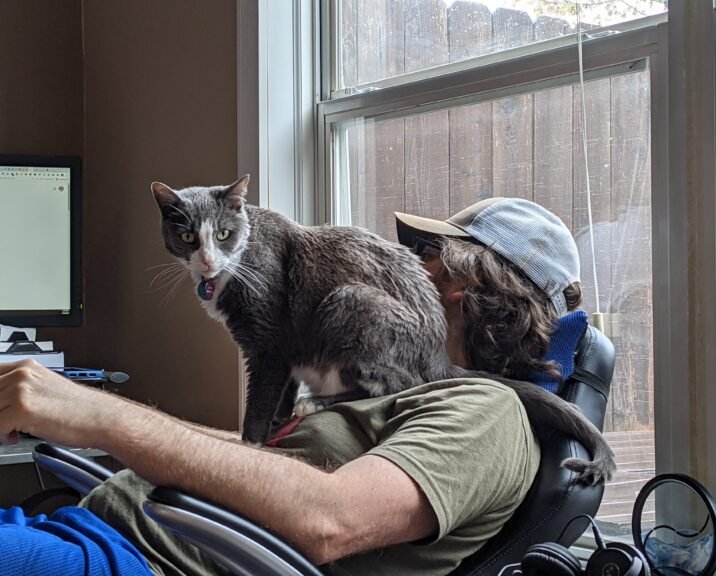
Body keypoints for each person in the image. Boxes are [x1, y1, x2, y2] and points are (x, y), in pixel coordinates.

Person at [0, 197, 582, 576]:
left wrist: (103, 418)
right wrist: (90, 417)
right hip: (89, 530)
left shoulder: (486, 412)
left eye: (425, 254)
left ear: (464, 284)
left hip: (137, 560)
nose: (403, 262)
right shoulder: (380, 382)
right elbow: (260, 463)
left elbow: (331, 519)